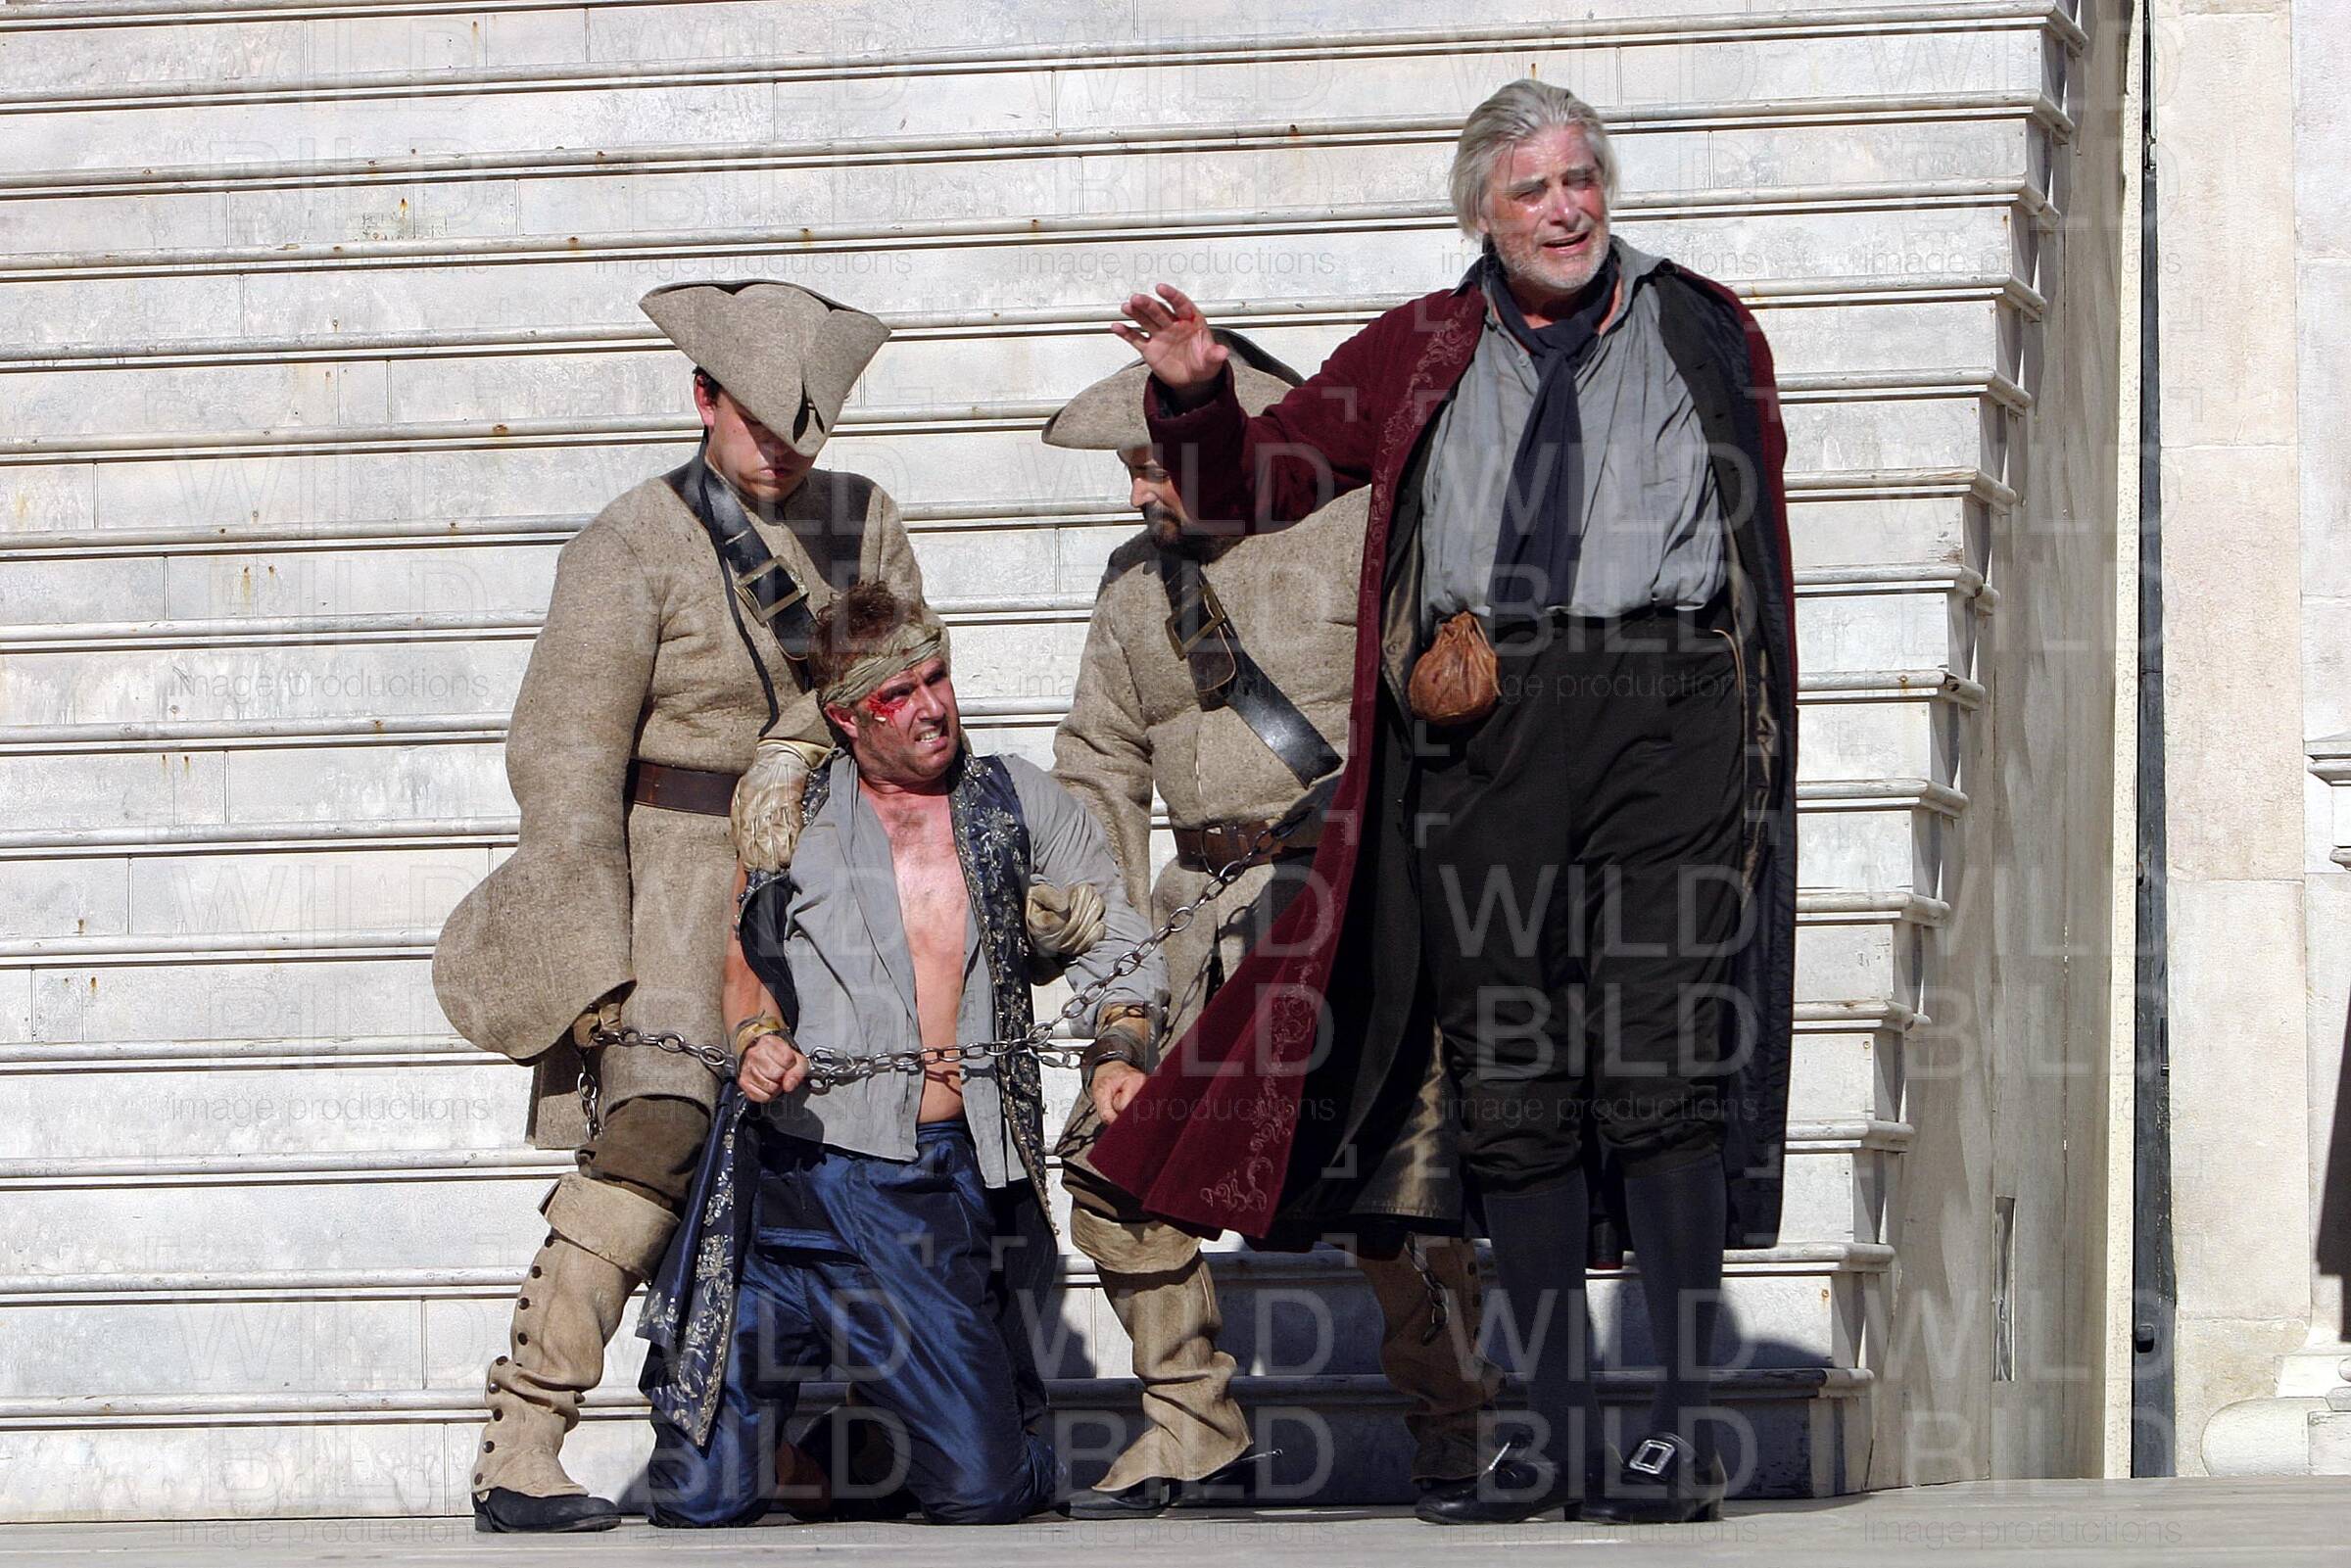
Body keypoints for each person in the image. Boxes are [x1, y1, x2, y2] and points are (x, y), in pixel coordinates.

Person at [1090, 78, 1799, 1527]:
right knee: (1515, 1085)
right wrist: (1195, 391)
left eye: (1582, 179)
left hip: (1667, 711)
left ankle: (1671, 1432)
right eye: (1534, 188)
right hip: (1486, 724)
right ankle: (1543, 1434)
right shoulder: (1422, 345)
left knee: (1660, 1068)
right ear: (1482, 209)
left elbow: (1757, 540)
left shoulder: (1705, 325)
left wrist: (1752, 738)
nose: (1566, 208)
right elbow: (1250, 489)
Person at [431, 282, 922, 1533]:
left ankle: (807, 1442)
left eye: (808, 425)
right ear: (701, 394)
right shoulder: (630, 540)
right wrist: (590, 953)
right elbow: (564, 761)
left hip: (836, 873)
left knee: (844, 1149)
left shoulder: (865, 519)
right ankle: (521, 1444)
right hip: (676, 880)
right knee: (652, 1134)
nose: (785, 447)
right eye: (758, 417)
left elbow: (908, 683)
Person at [1043, 334, 1503, 1516]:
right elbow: (1098, 788)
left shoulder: (1352, 534)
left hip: (1350, 909)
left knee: (1395, 1193)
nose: (1138, 491)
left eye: (1153, 462)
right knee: (1111, 1169)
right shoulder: (1132, 587)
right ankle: (1194, 1425)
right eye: (1132, 466)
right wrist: (1118, 1000)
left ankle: (1461, 1431)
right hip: (1196, 926)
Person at [637, 583, 1165, 1527]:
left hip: (921, 1186)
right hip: (790, 1183)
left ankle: (900, 1434)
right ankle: (804, 1445)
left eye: (938, 677)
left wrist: (1119, 1048)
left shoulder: (1013, 800)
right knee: (696, 1501)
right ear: (845, 717)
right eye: (899, 693)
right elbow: (743, 960)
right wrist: (756, 1037)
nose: (932, 707)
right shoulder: (789, 811)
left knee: (985, 1492)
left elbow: (1120, 937)